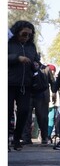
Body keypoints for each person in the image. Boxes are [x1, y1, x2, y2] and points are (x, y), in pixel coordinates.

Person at [8, 20, 39, 150]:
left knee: (24, 111)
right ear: (16, 32)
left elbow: (35, 60)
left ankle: (17, 138)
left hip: (25, 84)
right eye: (24, 34)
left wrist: (36, 64)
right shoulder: (8, 43)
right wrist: (17, 58)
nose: (26, 37)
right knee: (7, 111)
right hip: (8, 82)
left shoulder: (31, 46)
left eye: (29, 35)